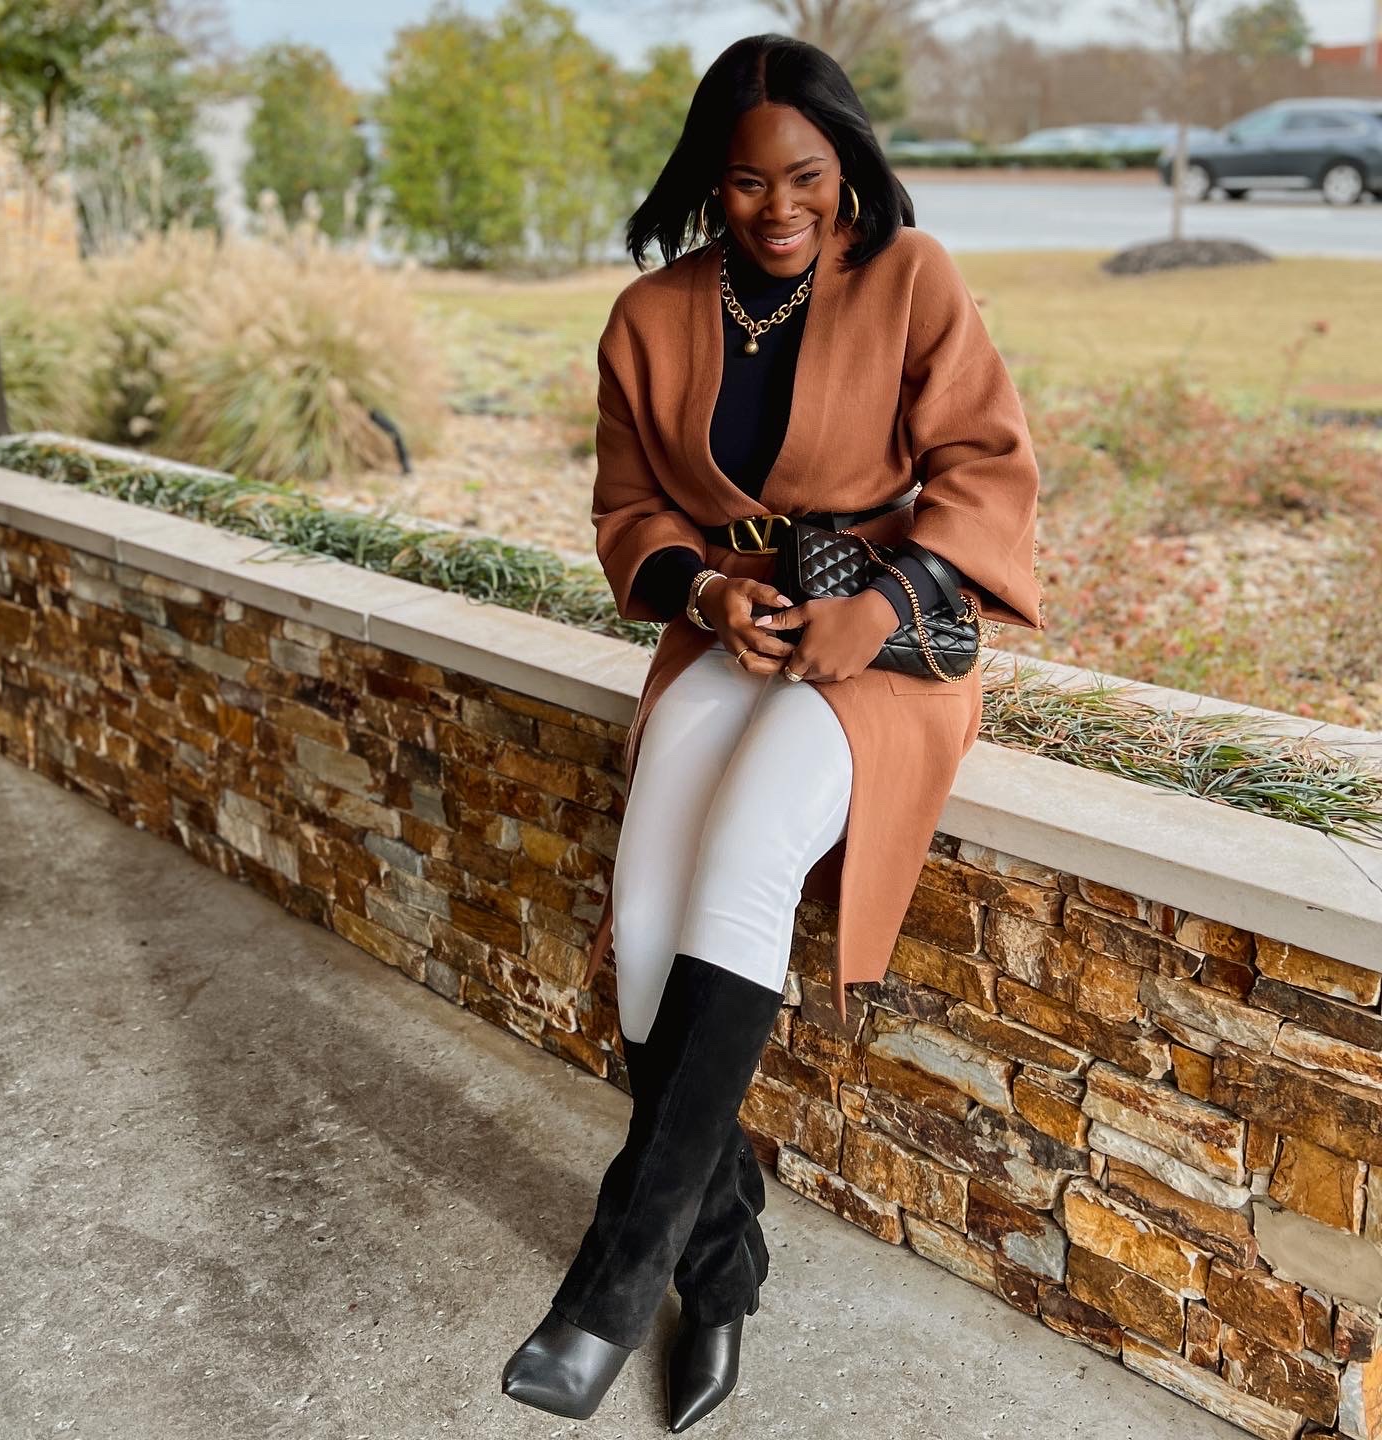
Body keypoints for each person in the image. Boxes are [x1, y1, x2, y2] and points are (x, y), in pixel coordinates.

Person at [502, 32, 1046, 1433]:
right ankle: (727, 1272)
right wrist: (709, 589)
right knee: (640, 951)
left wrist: (891, 598)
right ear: (710, 184)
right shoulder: (651, 316)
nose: (780, 208)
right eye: (746, 184)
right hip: (734, 635)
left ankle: (613, 1290)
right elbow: (633, 518)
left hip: (881, 650)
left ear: (848, 168)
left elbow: (986, 471)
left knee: (744, 862)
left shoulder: (910, 280)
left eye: (806, 176)